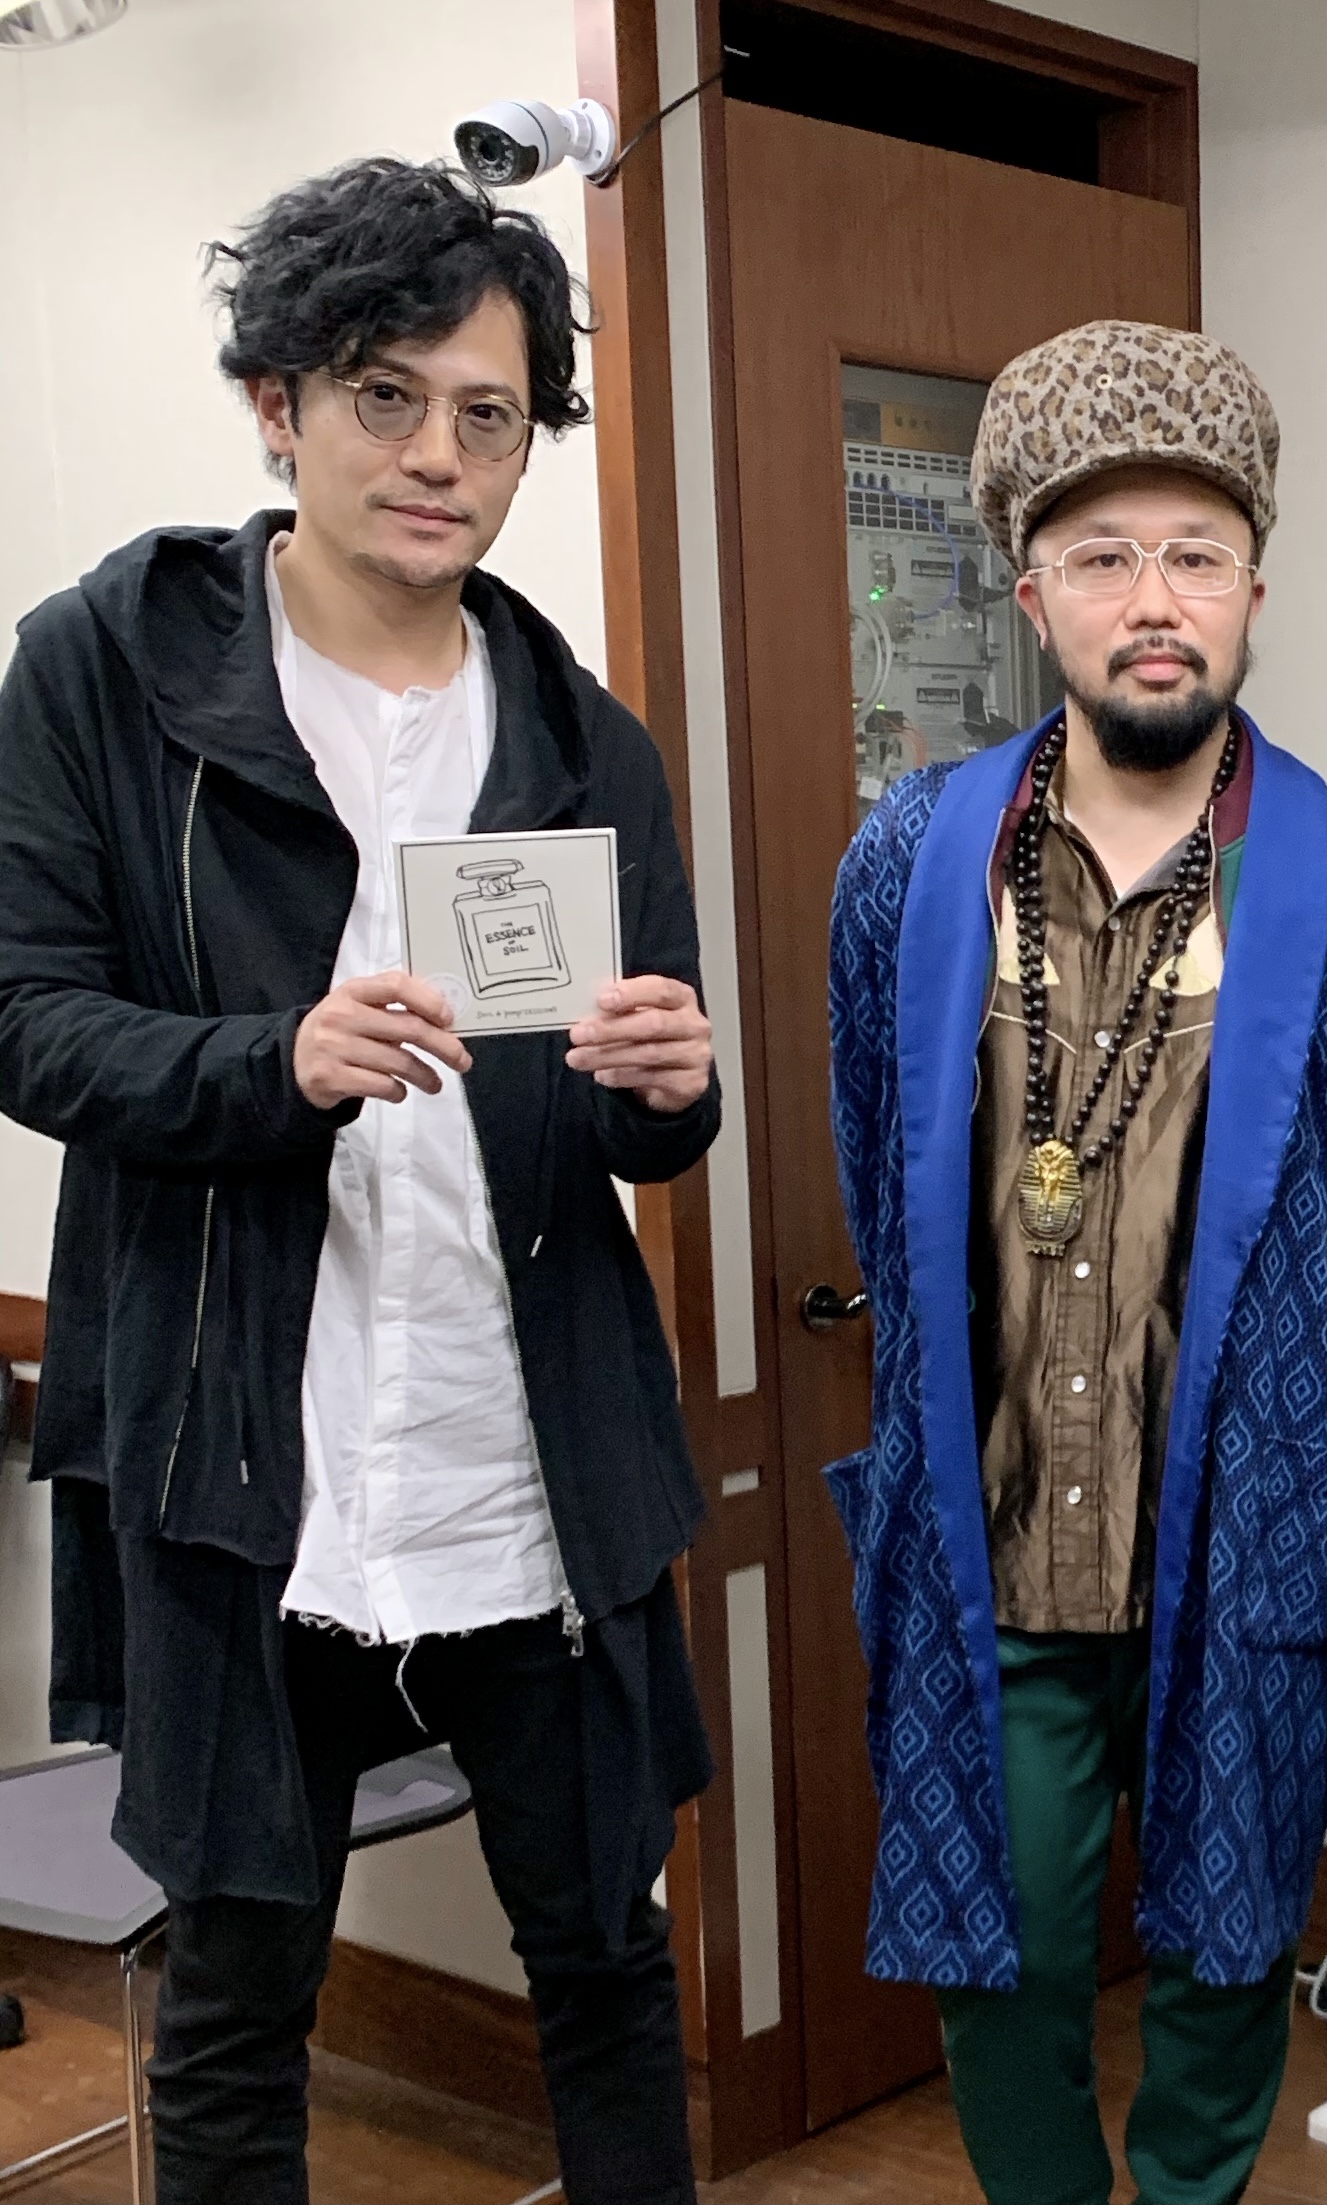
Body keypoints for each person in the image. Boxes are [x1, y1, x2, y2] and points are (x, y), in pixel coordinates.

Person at [0, 160, 720, 2204]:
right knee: (239, 2004)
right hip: (249, 1471)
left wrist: (671, 1094)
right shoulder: (108, 672)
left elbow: (630, 1118)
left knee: (608, 1963)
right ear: (278, 404)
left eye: (488, 414)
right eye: (385, 396)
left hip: (527, 1467)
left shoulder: (582, 738)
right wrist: (273, 1061)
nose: (438, 456)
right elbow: (23, 1016)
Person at [823, 319, 1327, 2205]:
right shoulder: (912, 861)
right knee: (996, 1961)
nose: (1154, 600)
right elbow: (881, 1173)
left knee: (1228, 1961)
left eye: (1196, 553)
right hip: (995, 1535)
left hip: (1240, 1540)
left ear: (1256, 586)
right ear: (1032, 594)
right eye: (1102, 557)